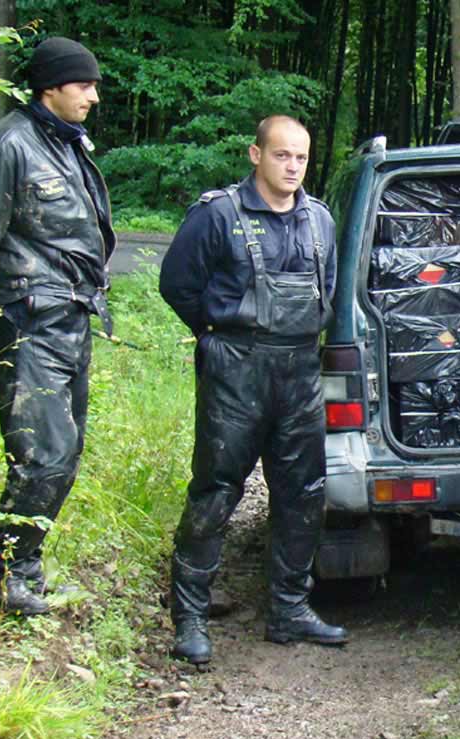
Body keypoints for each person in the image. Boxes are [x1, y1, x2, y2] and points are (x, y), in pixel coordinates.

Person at [159, 115, 346, 665]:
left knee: (303, 492)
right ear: (255, 155)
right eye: (282, 155)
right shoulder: (218, 215)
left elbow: (326, 289)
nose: (292, 167)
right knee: (216, 490)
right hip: (235, 369)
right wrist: (218, 335)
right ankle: (190, 617)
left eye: (302, 158)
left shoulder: (320, 222)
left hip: (298, 371)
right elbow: (178, 284)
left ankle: (289, 609)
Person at [0, 37, 114, 615]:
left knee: (65, 452)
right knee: (43, 455)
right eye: (84, 85)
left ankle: (22, 571)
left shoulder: (66, 143)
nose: (93, 97)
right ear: (50, 85)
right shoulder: (5, 145)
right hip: (26, 319)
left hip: (70, 317)